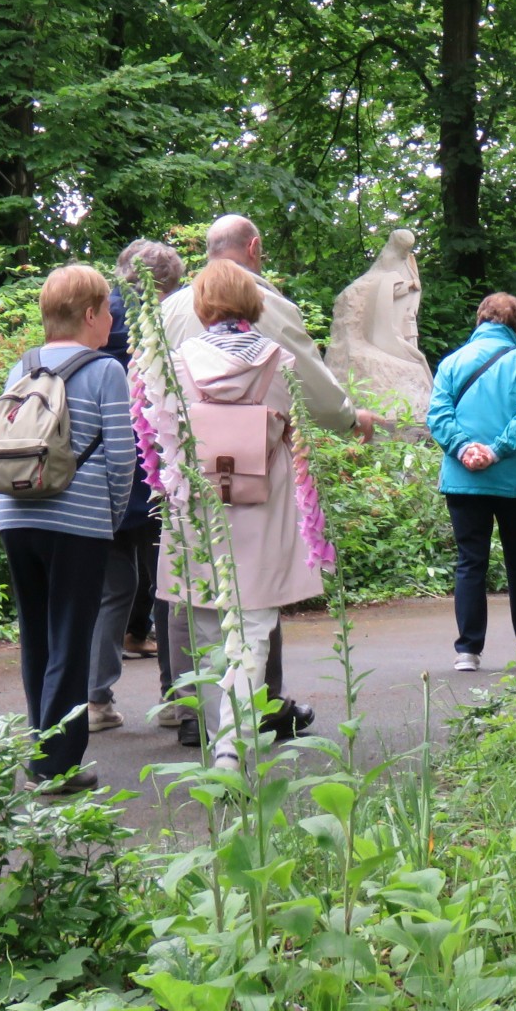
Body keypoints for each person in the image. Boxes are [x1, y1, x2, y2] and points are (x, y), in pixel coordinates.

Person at [158, 215, 378, 743]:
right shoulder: (275, 353)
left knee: (200, 613)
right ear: (253, 254)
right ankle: (243, 732)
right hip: (261, 496)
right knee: (255, 620)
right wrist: (347, 419)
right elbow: (303, 404)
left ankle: (203, 723)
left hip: (194, 492)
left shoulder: (168, 324)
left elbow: (149, 413)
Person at [153, 260, 325, 768]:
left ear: (202, 306)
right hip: (263, 509)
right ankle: (234, 744)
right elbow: (300, 424)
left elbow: (157, 429)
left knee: (207, 626)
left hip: (197, 508)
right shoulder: (281, 362)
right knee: (252, 631)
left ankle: (217, 741)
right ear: (255, 303)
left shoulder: (176, 363)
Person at [0, 265, 136, 789]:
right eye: (109, 312)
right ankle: (56, 767)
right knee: (71, 638)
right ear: (92, 314)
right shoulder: (106, 371)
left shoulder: (22, 366)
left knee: (37, 635)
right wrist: (111, 516)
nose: (112, 322)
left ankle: (42, 746)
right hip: (77, 521)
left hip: (14, 510)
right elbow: (122, 459)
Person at [93, 239, 186, 736]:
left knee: (111, 590)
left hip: (97, 470)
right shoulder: (174, 317)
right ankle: (176, 698)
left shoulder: (93, 313)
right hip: (155, 465)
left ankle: (94, 700)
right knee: (168, 586)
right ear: (168, 283)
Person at [427, 292, 516, 672]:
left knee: (470, 562)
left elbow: (438, 414)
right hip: (514, 481)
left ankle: (468, 650)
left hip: (464, 481)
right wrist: (496, 450)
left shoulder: (451, 363)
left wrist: (464, 449)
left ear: (480, 320)